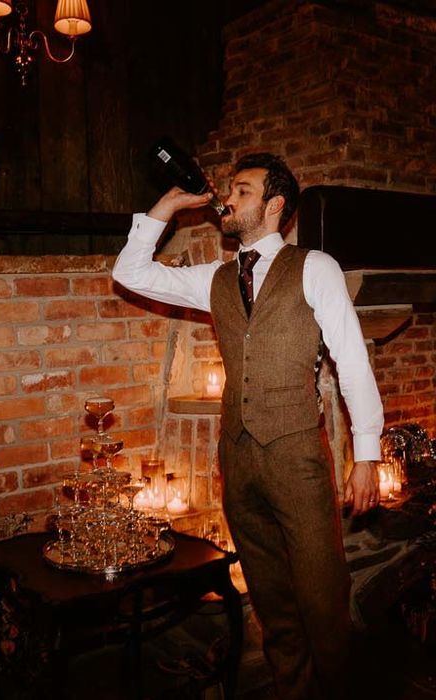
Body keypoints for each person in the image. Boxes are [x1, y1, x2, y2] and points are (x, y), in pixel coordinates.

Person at [112, 153, 383, 699]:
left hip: (296, 454)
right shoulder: (212, 277)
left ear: (275, 205)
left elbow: (352, 361)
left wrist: (367, 453)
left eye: (242, 190)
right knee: (270, 595)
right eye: (229, 189)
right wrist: (169, 204)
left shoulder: (315, 267)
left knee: (321, 593)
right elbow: (129, 272)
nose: (227, 200)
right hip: (236, 456)